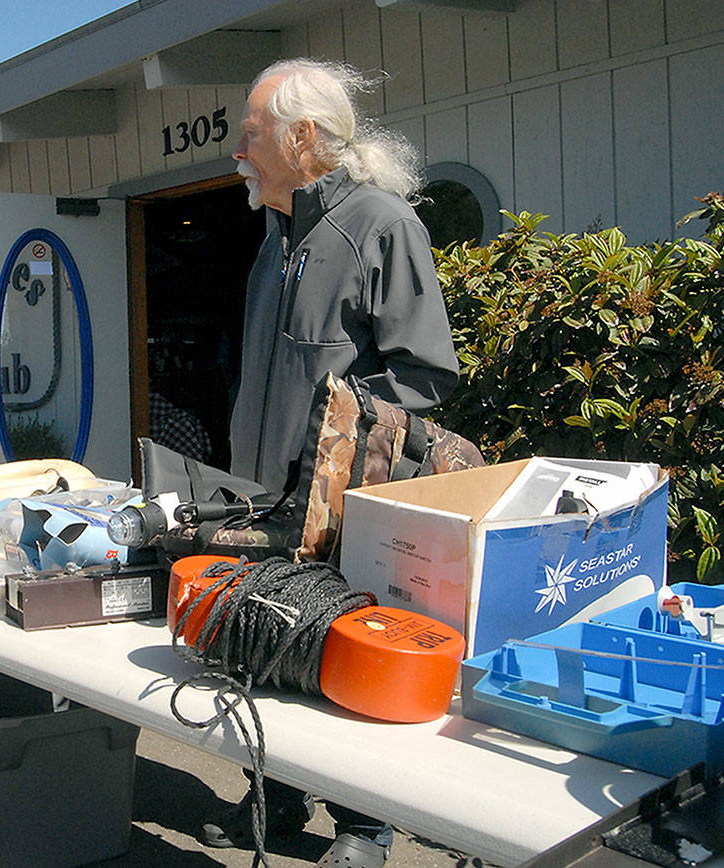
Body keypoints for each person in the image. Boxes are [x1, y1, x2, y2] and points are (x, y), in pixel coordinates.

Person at [206, 59, 461, 867]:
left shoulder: (378, 223)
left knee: (347, 652)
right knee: (269, 646)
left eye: (250, 133)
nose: (238, 151)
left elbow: (425, 372)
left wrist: (333, 425)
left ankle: (363, 829)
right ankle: (277, 797)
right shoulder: (275, 237)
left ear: (301, 136)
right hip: (261, 498)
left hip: (344, 504)